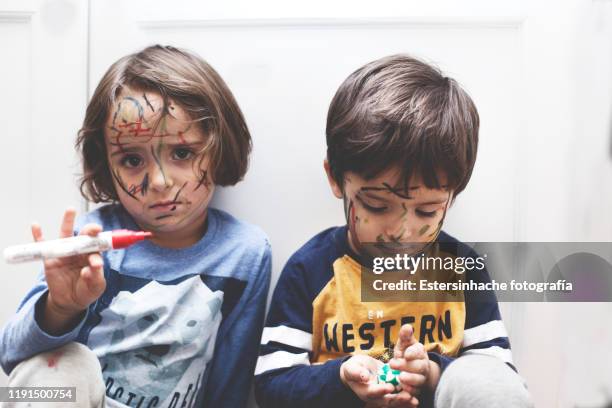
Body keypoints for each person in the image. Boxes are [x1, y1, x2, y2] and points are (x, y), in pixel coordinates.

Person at [253, 55, 533, 408]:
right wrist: (340, 376)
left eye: (427, 211)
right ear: (335, 178)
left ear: (453, 194)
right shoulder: (312, 269)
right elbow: (271, 386)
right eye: (377, 206)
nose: (402, 232)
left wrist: (432, 372)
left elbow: (498, 379)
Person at [0, 45, 271, 408]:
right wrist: (61, 307)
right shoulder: (92, 242)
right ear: (105, 165)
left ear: (220, 149)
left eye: (182, 153)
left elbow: (231, 381)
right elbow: (11, 360)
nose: (158, 181)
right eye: (131, 159)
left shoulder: (246, 252)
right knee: (69, 366)